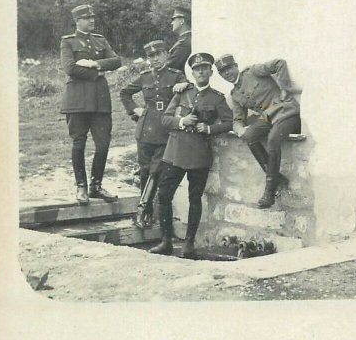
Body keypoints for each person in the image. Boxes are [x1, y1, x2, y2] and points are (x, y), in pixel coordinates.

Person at [149, 52, 232, 258]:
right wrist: (181, 122)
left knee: (194, 199)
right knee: (164, 195)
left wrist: (210, 128)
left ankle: (188, 244)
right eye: (196, 69)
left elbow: (229, 122)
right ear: (192, 73)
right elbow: (165, 119)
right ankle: (166, 241)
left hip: (198, 155)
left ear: (211, 72)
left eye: (204, 68)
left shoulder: (217, 98)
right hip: (174, 153)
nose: (200, 72)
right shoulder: (181, 93)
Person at [215, 55, 301, 209]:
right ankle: (277, 178)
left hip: (286, 111)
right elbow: (237, 120)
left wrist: (284, 88)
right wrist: (240, 130)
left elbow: (279, 63)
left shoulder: (253, 71)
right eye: (222, 72)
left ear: (236, 66)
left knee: (273, 139)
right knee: (250, 136)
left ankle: (270, 190)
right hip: (268, 118)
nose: (227, 73)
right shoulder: (235, 95)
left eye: (229, 68)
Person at [119, 40, 187, 229]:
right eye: (151, 56)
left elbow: (188, 91)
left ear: (166, 54)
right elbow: (125, 93)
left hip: (164, 130)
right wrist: (135, 110)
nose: (155, 59)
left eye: (158, 54)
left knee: (155, 171)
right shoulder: (145, 76)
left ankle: (143, 210)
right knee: (145, 170)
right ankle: (147, 210)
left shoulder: (177, 76)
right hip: (145, 129)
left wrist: (184, 86)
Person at [60, 4, 121, 204]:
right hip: (77, 101)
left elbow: (116, 61)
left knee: (103, 143)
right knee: (79, 143)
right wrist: (98, 73)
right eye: (87, 18)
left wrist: (95, 63)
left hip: (100, 101)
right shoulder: (67, 42)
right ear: (78, 21)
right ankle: (81, 187)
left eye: (93, 17)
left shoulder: (100, 40)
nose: (92, 21)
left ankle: (96, 185)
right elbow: (70, 68)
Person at [165, 6, 192, 72]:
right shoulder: (186, 39)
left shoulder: (184, 43)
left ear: (182, 21)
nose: (172, 23)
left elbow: (169, 67)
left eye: (174, 19)